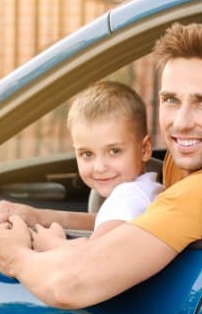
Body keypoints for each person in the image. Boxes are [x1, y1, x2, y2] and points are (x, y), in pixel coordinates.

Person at [0, 22, 202, 308]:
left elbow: (71, 286)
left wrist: (16, 257)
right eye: (171, 99)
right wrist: (37, 215)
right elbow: (133, 223)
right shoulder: (192, 159)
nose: (181, 123)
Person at [31, 80, 164, 250]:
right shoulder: (147, 188)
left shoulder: (128, 197)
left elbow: (91, 255)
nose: (100, 167)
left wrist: (50, 243)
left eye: (114, 151)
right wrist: (39, 216)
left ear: (145, 149)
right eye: (87, 154)